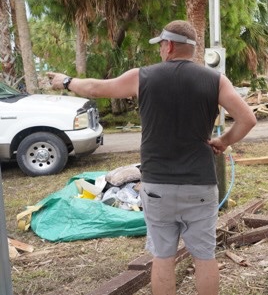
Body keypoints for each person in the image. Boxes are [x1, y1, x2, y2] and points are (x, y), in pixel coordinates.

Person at [47, 20, 256, 295]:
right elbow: (247, 119)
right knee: (205, 257)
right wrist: (222, 141)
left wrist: (66, 81)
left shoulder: (142, 76)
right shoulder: (215, 79)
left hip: (158, 186)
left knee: (163, 257)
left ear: (168, 46)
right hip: (201, 184)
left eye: (160, 46)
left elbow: (96, 89)